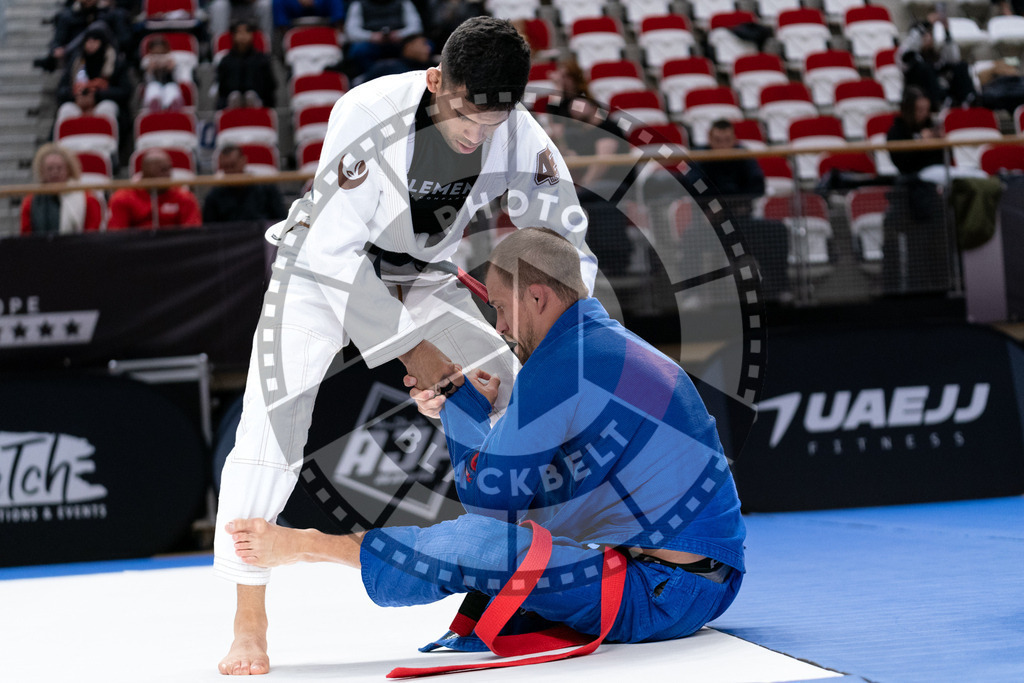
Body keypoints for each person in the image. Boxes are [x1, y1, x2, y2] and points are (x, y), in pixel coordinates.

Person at [213, 16, 598, 676]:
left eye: (491, 121)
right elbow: (334, 254)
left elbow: (565, 248)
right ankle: (249, 614)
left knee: (510, 385)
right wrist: (415, 354)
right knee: (269, 431)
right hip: (318, 269)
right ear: (435, 78)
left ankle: (511, 569)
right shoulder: (365, 112)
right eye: (463, 114)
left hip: (421, 277)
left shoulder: (519, 134)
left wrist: (555, 337)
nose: (475, 132)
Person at [224, 228, 745, 667]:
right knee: (509, 534)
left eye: (499, 308)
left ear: (537, 297)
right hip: (694, 580)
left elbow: (487, 503)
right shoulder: (602, 346)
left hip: (664, 591)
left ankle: (312, 545)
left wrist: (457, 402)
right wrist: (470, 409)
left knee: (480, 544)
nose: (497, 328)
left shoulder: (564, 364)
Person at [691, 120, 790, 302]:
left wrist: (722, 205)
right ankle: (693, 295)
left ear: (734, 139)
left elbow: (757, 184)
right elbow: (693, 184)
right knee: (690, 237)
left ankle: (778, 289)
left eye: (727, 140)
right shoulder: (700, 157)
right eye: (718, 140)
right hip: (712, 227)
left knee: (778, 230)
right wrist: (718, 205)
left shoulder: (742, 154)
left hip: (742, 223)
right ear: (709, 140)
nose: (723, 146)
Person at [54, 24, 131, 130]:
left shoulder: (116, 63)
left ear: (102, 42)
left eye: (95, 41)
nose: (91, 44)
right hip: (78, 102)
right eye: (88, 41)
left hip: (104, 101)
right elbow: (61, 90)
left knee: (106, 109)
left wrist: (97, 95)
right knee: (66, 110)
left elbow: (125, 91)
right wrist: (76, 94)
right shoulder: (75, 62)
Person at [896, 11, 976, 110]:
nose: (927, 37)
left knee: (961, 66)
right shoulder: (909, 58)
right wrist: (926, 24)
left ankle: (969, 100)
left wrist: (947, 31)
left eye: (929, 33)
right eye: (923, 35)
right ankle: (941, 103)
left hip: (943, 93)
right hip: (921, 97)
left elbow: (954, 59)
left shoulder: (935, 56)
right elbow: (907, 48)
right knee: (925, 69)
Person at [107, 149, 202, 229]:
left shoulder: (185, 197)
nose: (168, 175)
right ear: (145, 173)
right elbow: (116, 236)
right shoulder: (122, 198)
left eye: (169, 169)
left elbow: (192, 235)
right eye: (163, 170)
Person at [20, 143, 103, 235]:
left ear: (69, 170)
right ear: (42, 171)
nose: (55, 172)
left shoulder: (88, 199)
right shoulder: (30, 202)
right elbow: (26, 236)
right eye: (49, 169)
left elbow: (93, 234)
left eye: (59, 168)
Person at [202, 144, 287, 224]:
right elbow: (210, 231)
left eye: (232, 165)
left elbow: (281, 222)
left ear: (243, 160)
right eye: (225, 167)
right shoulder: (214, 196)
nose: (230, 171)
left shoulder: (267, 189)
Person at [344, 0, 425, 77]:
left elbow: (416, 27)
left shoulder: (403, 2)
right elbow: (351, 32)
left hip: (400, 42)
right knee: (358, 50)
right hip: (371, 43)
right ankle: (367, 76)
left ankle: (414, 75)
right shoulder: (359, 4)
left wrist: (399, 34)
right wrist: (372, 36)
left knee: (425, 46)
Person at [216, 20, 278, 110]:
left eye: (247, 32)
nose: (243, 36)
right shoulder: (226, 61)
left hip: (259, 103)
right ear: (233, 36)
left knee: (250, 95)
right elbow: (221, 89)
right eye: (239, 32)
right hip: (230, 103)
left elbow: (270, 87)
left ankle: (254, 101)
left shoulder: (262, 59)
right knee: (234, 96)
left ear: (252, 35)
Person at [352, 32, 434, 85]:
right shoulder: (386, 67)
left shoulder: (433, 70)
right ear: (409, 46)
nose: (428, 48)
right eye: (423, 44)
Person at [140, 35, 185, 113]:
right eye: (156, 52)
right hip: (153, 84)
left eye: (161, 52)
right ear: (150, 50)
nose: (159, 55)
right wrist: (150, 70)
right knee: (153, 88)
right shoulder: (147, 60)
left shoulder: (172, 58)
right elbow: (146, 81)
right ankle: (154, 105)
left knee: (171, 88)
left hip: (169, 83)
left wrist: (172, 68)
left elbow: (179, 79)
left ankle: (172, 105)